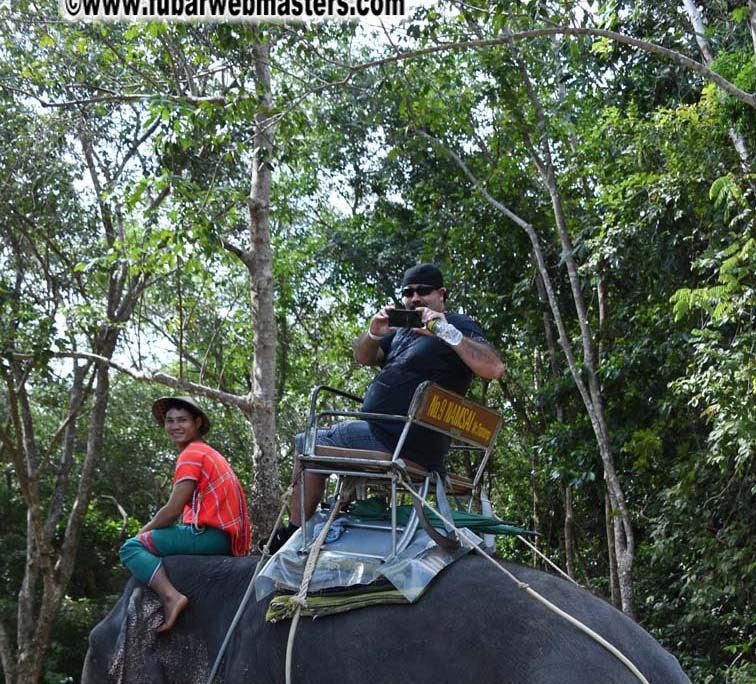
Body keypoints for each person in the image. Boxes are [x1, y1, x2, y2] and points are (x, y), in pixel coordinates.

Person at [280, 263, 504, 539]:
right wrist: (374, 334)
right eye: (408, 293)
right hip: (390, 433)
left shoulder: (457, 325)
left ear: (441, 294)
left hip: (402, 439)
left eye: (424, 291)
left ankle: (293, 533)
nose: (415, 298)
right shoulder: (401, 332)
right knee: (320, 435)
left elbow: (494, 369)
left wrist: (445, 332)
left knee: (310, 441)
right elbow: (364, 358)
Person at [120, 395, 251, 632]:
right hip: (225, 539)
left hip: (211, 536)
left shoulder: (192, 454)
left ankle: (171, 596)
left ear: (197, 422)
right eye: (170, 421)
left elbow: (173, 510)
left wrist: (142, 533)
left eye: (182, 420)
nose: (175, 426)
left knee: (130, 548)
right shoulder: (206, 452)